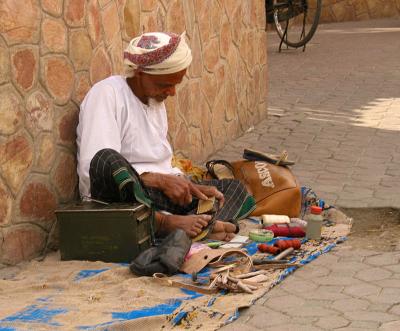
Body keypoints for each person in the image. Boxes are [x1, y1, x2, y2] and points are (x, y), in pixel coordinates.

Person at [76, 32, 255, 241]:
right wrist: (160, 181)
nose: (172, 92)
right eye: (165, 85)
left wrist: (188, 186)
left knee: (233, 189)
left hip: (156, 197)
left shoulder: (155, 101)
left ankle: (193, 224)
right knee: (107, 159)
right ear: (140, 73)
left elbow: (161, 164)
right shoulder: (107, 94)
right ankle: (166, 224)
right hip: (123, 197)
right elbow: (94, 169)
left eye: (175, 84)